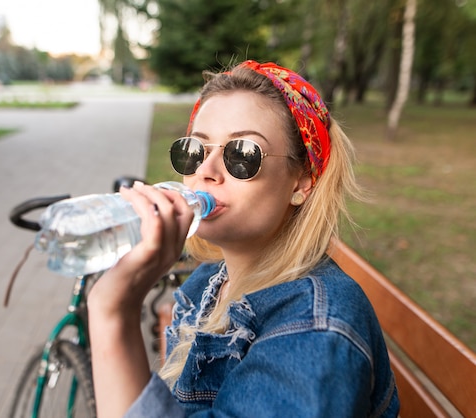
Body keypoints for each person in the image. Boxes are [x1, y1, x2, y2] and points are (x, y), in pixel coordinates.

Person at [87, 60, 400, 417]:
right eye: (195, 150)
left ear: (301, 181)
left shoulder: (316, 328)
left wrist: (113, 312)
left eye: (242, 155)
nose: (206, 171)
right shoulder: (208, 281)